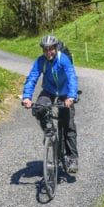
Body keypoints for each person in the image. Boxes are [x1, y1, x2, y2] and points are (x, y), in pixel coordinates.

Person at [22, 35, 79, 173]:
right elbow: (32, 77)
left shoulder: (62, 59)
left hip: (65, 92)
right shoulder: (41, 61)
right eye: (45, 50)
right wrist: (27, 97)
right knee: (39, 108)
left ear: (56, 48)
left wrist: (71, 96)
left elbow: (72, 76)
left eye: (51, 49)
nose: (48, 52)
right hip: (49, 90)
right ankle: (49, 131)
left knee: (68, 125)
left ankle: (72, 158)